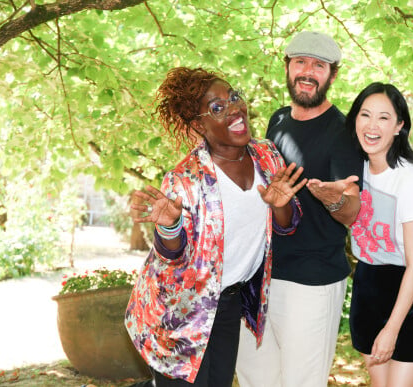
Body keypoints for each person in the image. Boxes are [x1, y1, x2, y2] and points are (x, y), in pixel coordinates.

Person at [124, 67, 306, 387]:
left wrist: (281, 205)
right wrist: (170, 225)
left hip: (226, 303)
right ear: (200, 125)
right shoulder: (185, 180)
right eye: (218, 108)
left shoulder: (267, 156)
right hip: (177, 310)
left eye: (234, 97)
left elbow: (288, 224)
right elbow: (173, 255)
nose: (235, 108)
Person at [236, 31, 363, 387]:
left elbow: (351, 211)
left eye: (319, 65)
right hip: (260, 276)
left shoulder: (344, 133)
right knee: (256, 380)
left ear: (332, 75)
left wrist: (333, 198)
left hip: (311, 282)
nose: (308, 71)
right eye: (300, 62)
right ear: (287, 67)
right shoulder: (277, 120)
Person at [346, 82, 413, 386]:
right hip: (369, 286)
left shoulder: (409, 181)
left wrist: (391, 329)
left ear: (399, 126)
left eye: (384, 118)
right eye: (365, 115)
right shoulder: (354, 167)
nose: (372, 125)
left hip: (412, 292)